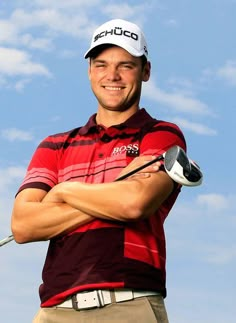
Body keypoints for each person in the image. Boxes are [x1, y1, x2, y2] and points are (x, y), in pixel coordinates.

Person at [11, 19, 186, 323]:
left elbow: (134, 203)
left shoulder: (161, 135)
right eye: (101, 64)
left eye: (126, 65)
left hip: (130, 302)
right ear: (90, 71)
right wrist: (114, 195)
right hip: (54, 310)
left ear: (145, 71)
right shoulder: (54, 145)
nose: (112, 76)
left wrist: (64, 191)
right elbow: (24, 225)